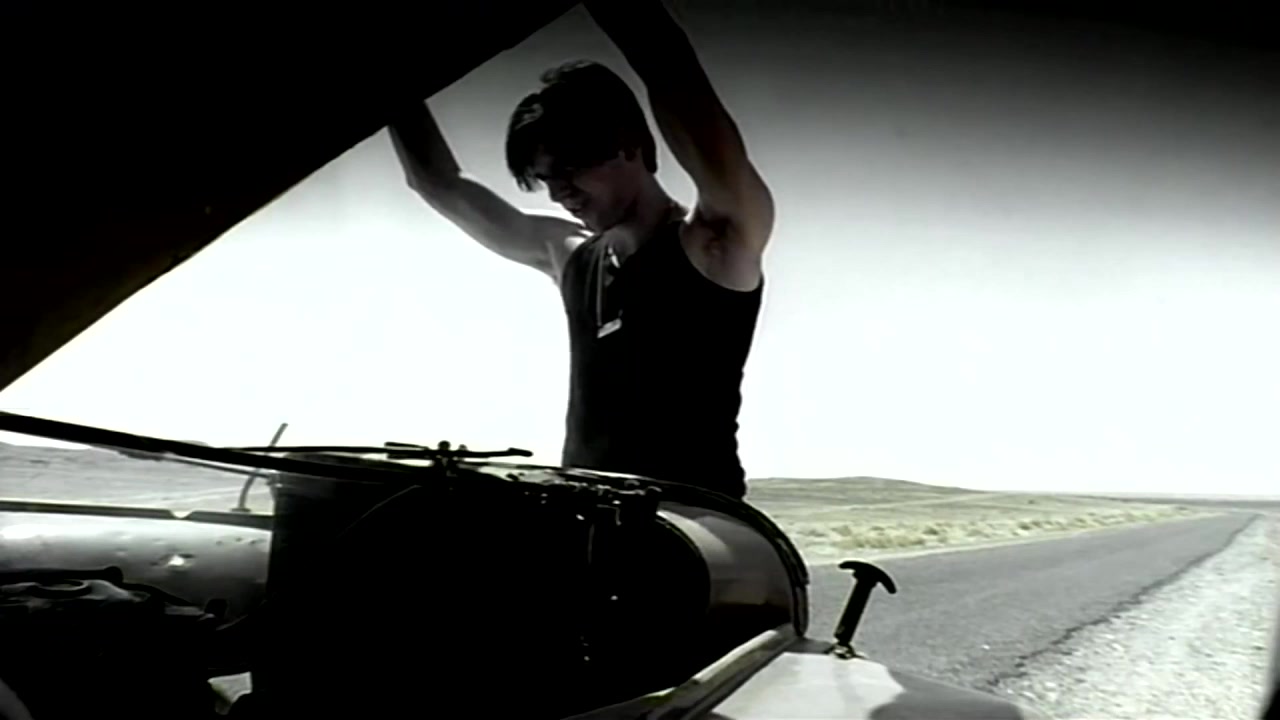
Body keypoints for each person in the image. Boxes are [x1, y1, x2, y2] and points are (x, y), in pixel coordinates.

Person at [388, 0, 775, 499]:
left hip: (691, 520)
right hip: (584, 514)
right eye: (545, 179)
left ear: (629, 146)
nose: (558, 193)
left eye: (569, 170)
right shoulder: (569, 256)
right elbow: (439, 183)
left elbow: (673, 75)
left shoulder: (717, 241)